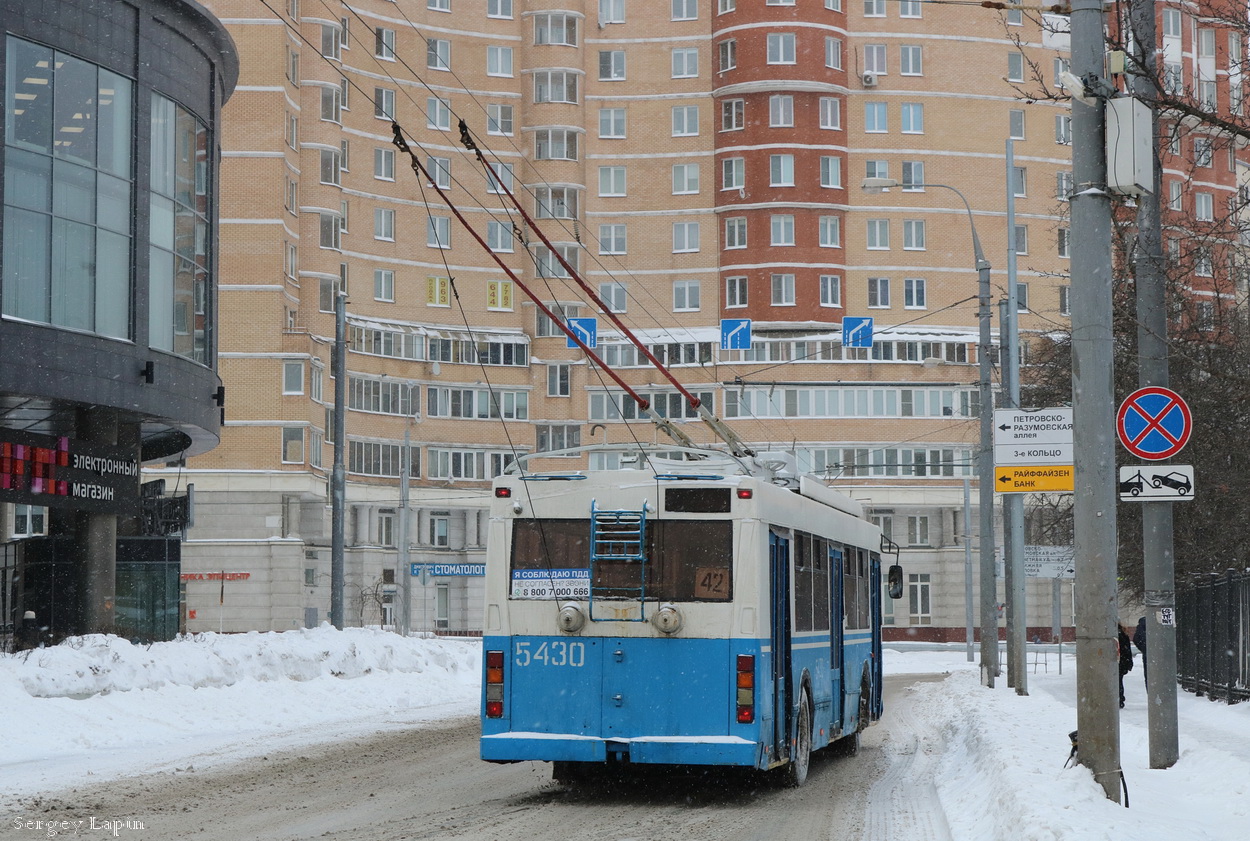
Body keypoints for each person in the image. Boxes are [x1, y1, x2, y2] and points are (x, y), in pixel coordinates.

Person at [1117, 623, 1134, 708]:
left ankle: (1119, 699)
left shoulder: (1116, 636)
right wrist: (1129, 663)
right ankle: (1120, 699)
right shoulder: (1123, 635)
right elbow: (1127, 650)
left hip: (1118, 662)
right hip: (1122, 662)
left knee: (1117, 681)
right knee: (1119, 681)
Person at [1133, 617, 1147, 685]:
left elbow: (1136, 639)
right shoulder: (1154, 626)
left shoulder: (1140, 627)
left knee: (1148, 675)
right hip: (1155, 654)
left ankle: (1149, 688)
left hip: (1146, 654)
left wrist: (1143, 649)